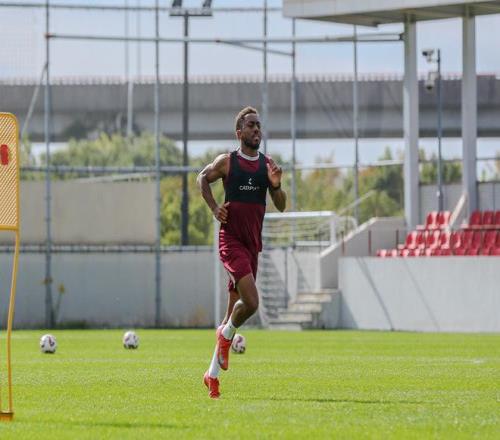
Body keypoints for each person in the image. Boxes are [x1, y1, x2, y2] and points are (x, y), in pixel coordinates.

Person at [197, 106, 286, 399]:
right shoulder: (228, 162)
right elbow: (201, 178)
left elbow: (281, 205)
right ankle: (225, 336)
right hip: (231, 240)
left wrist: (277, 186)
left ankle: (211, 376)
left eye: (258, 125)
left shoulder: (267, 165)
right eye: (250, 125)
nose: (256, 129)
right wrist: (214, 208)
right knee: (252, 302)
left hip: (252, 245)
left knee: (233, 312)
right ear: (239, 133)